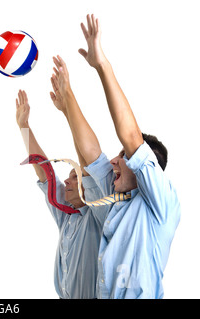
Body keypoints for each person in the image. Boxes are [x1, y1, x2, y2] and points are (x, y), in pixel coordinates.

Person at [53, 14, 180, 298]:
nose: (113, 160)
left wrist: (102, 67)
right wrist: (68, 99)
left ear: (144, 167)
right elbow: (91, 158)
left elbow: (132, 137)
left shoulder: (162, 205)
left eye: (122, 156)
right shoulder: (113, 202)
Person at [16, 87, 110, 299]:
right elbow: (45, 171)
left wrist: (68, 109)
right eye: (70, 176)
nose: (67, 180)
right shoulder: (66, 214)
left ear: (89, 184)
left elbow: (88, 162)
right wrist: (24, 126)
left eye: (75, 177)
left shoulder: (99, 216)